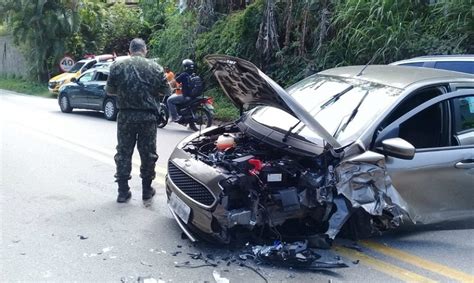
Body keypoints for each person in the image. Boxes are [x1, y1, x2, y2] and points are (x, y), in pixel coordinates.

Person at [106, 38, 170, 203]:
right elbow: (166, 91)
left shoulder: (118, 66)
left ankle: (122, 191)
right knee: (148, 153)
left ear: (130, 51)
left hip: (125, 117)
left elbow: (110, 91)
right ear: (145, 50)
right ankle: (147, 190)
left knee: (123, 153)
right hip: (147, 118)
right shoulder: (155, 67)